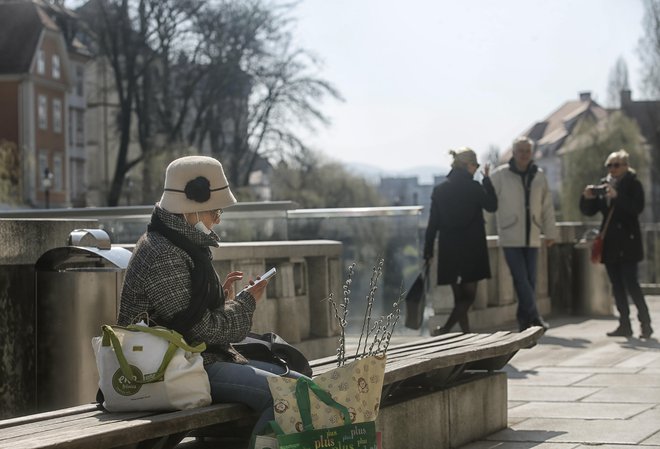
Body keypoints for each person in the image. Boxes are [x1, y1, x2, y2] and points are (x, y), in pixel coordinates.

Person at [117, 155, 303, 446]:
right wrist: (246, 304)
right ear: (191, 207)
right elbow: (199, 330)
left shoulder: (175, 242)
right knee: (287, 394)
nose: (218, 219)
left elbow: (187, 316)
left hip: (192, 359)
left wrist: (223, 298)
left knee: (300, 382)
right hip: (176, 366)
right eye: (214, 210)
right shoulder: (164, 253)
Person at [579, 149, 653, 339]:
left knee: (632, 284)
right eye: (609, 165)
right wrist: (586, 197)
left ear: (626, 166)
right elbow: (590, 211)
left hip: (628, 242)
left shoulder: (634, 185)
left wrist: (617, 196)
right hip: (611, 243)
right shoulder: (604, 186)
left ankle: (645, 324)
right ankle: (624, 324)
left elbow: (636, 208)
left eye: (616, 165)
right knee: (617, 285)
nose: (613, 169)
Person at [424, 147, 497, 334]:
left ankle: (466, 334)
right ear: (468, 165)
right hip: (472, 249)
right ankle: (446, 328)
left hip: (449, 249)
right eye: (476, 165)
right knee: (469, 296)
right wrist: (487, 179)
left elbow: (433, 224)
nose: (476, 169)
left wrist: (428, 251)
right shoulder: (474, 187)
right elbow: (492, 206)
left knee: (459, 298)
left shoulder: (440, 190)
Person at [490, 137, 557, 332]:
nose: (524, 154)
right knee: (521, 278)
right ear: (513, 152)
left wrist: (551, 231)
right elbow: (486, 197)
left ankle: (523, 319)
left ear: (532, 153)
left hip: (533, 234)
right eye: (520, 151)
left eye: (527, 151)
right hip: (511, 235)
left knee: (531, 280)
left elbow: (547, 206)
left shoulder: (539, 175)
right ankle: (535, 317)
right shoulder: (501, 175)